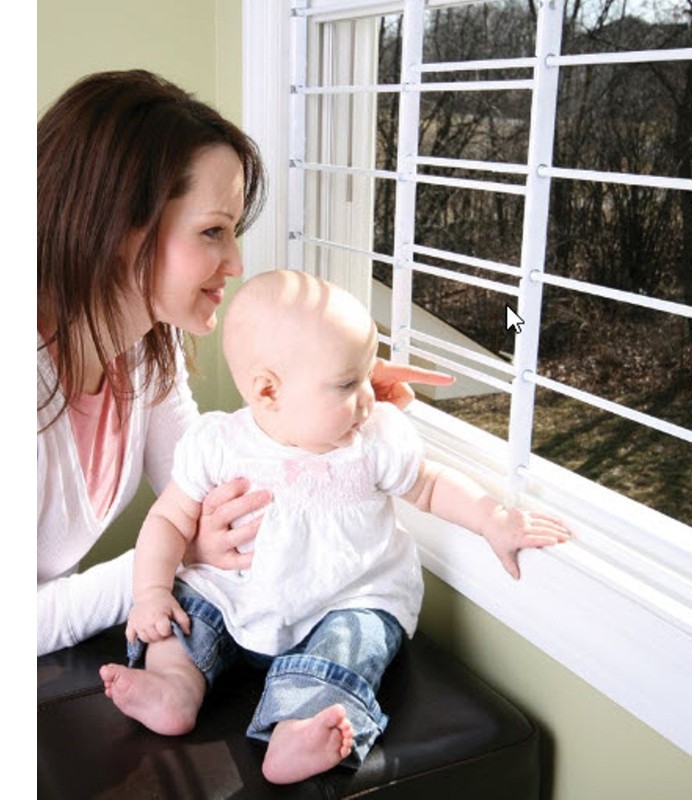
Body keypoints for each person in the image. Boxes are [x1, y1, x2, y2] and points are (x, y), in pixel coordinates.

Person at [37, 69, 455, 657]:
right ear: (119, 228)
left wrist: (329, 388)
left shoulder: (145, 350)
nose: (235, 263)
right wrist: (170, 559)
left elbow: (220, 483)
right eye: (213, 231)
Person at [99, 270, 572, 784]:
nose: (369, 397)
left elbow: (429, 485)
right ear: (268, 391)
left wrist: (492, 519)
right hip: (232, 594)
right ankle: (172, 686)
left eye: (367, 375)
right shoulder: (218, 444)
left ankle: (297, 728)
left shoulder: (373, 441)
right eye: (349, 384)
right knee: (186, 615)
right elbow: (168, 518)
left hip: (344, 599)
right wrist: (150, 592)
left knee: (353, 642)